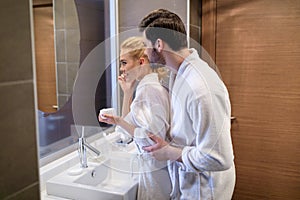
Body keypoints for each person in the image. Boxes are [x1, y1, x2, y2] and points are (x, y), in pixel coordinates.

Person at [139, 9, 236, 199]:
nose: (143, 51)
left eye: (145, 45)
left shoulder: (201, 87)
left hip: (205, 190)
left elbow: (219, 158)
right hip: (190, 182)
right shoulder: (179, 74)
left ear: (159, 44)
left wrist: (169, 152)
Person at [98, 36, 171, 200]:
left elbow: (153, 139)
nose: (121, 69)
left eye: (124, 62)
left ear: (141, 62)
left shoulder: (149, 91)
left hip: (155, 174)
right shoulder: (150, 88)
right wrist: (128, 93)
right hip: (156, 172)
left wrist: (117, 120)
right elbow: (125, 131)